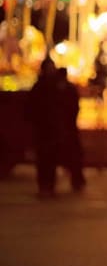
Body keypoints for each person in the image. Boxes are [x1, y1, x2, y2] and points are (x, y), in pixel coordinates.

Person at [25, 56, 61, 198]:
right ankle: (44, 186)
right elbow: (31, 108)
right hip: (43, 128)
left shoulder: (55, 86)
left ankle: (49, 186)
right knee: (43, 159)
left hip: (52, 128)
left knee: (51, 159)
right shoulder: (40, 87)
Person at [56, 67, 86, 192]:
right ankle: (77, 180)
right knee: (73, 156)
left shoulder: (63, 90)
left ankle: (77, 180)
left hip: (65, 127)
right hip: (67, 127)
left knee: (72, 156)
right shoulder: (67, 89)